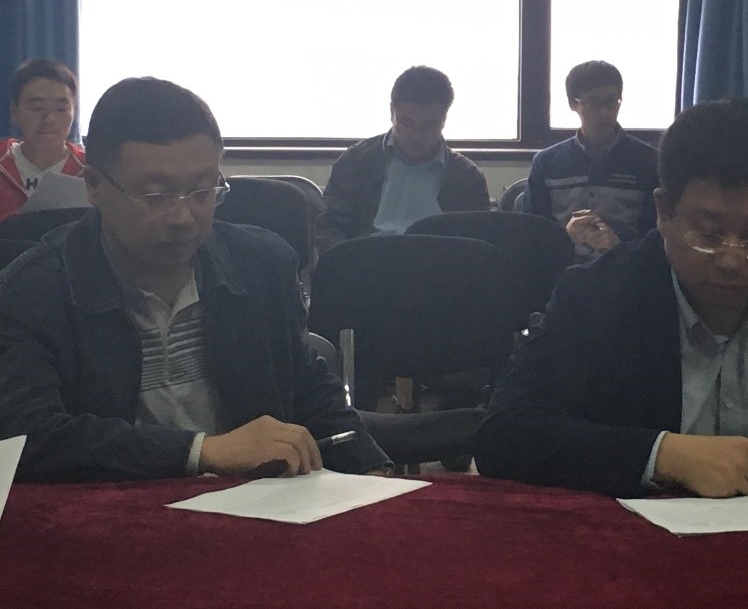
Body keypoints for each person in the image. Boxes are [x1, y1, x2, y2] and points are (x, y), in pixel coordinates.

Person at [477, 99, 748, 504]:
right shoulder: (598, 293)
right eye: (707, 234)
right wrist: (662, 455)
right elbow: (506, 432)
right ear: (663, 213)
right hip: (637, 541)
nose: (731, 259)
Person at [0, 77, 388, 481]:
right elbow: (27, 437)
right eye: (156, 196)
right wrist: (202, 451)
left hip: (258, 504)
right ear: (94, 186)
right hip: (109, 509)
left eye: (203, 192)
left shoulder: (261, 264)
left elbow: (308, 388)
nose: (183, 217)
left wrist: (369, 467)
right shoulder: (33, 291)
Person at [315, 65, 489, 253]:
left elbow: (476, 244)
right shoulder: (355, 161)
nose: (417, 135)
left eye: (429, 126)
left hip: (437, 264)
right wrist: (348, 260)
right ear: (392, 112)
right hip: (367, 261)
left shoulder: (468, 177)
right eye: (406, 123)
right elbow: (328, 226)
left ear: (444, 119)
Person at [525, 60, 658, 260]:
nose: (605, 112)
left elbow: (660, 235)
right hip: (563, 267)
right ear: (573, 104)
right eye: (594, 103)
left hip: (626, 267)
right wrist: (565, 236)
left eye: (611, 101)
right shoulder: (546, 163)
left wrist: (619, 243)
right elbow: (531, 232)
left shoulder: (649, 161)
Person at [1, 58, 87, 223]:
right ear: (14, 111)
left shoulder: (91, 170)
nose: (49, 119)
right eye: (37, 108)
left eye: (61, 109)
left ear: (74, 111)